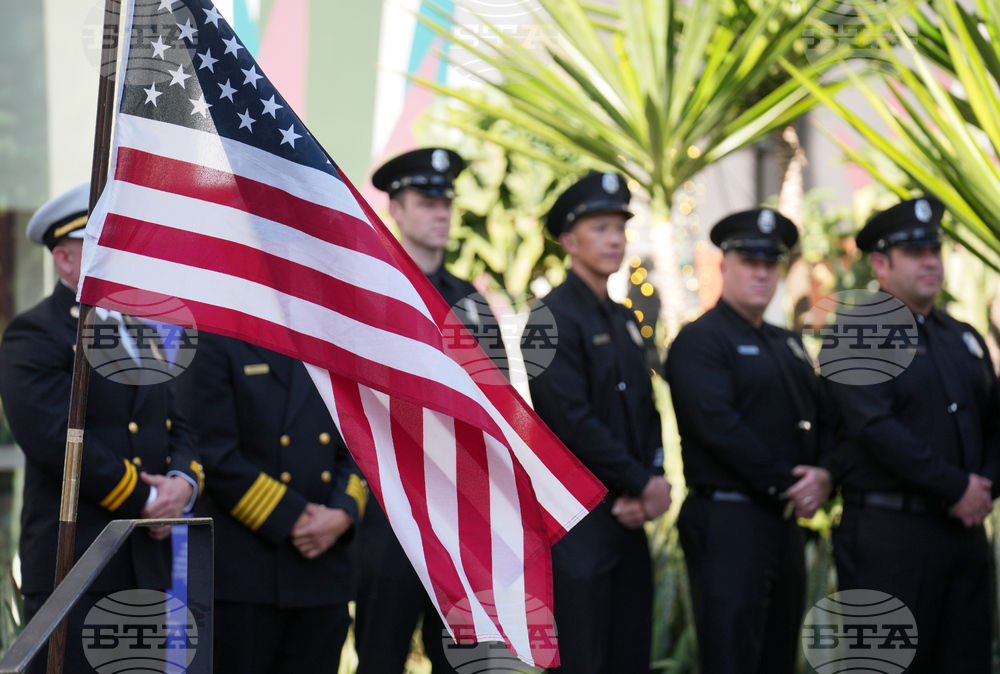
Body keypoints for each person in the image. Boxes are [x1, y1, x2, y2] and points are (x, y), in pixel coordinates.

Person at [0, 182, 201, 674]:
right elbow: (54, 440)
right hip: (76, 562)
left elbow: (179, 424)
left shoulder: (144, 333)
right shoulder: (35, 333)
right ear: (64, 260)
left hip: (146, 560)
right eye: (99, 242)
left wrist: (183, 483)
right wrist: (146, 501)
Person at [825, 197, 1000, 673]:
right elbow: (876, 429)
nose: (930, 261)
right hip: (890, 539)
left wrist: (984, 484)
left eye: (935, 250)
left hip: (962, 532)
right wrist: (958, 486)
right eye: (916, 252)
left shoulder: (960, 335)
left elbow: (995, 423)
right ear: (881, 264)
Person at [355, 147, 507, 673]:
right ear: (394, 208)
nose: (441, 212)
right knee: (380, 655)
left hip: (457, 513)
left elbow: (498, 407)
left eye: (447, 201)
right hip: (389, 509)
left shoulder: (471, 304)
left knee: (462, 661)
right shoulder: (367, 291)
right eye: (426, 200)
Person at [664, 208, 833, 674]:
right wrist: (791, 483)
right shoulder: (700, 341)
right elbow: (718, 427)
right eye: (749, 261)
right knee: (732, 659)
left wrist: (825, 475)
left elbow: (823, 417)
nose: (761, 272)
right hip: (728, 522)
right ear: (725, 265)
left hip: (781, 523)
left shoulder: (789, 343)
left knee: (777, 657)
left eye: (770, 263)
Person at [524, 171, 670, 673]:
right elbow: (570, 421)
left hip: (628, 519)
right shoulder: (547, 319)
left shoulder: (625, 316)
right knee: (583, 658)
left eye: (619, 228)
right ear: (568, 241)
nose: (614, 239)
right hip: (580, 522)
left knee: (630, 655)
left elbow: (648, 410)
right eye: (600, 228)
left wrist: (655, 476)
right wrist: (639, 482)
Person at [175, 331, 366, 674]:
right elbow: (212, 454)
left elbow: (360, 442)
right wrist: (293, 517)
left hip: (323, 568)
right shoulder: (215, 336)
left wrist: (343, 512)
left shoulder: (330, 337)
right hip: (245, 574)